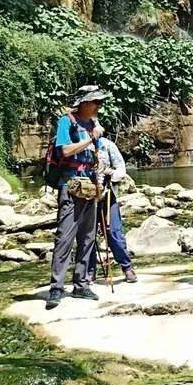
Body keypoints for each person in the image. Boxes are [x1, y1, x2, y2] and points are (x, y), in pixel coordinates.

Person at [46, 85, 106, 310]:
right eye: (95, 102)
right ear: (84, 103)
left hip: (89, 185)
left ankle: (81, 283)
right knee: (64, 236)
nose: (99, 106)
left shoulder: (92, 124)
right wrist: (91, 138)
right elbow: (64, 151)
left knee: (88, 236)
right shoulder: (67, 122)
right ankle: (56, 287)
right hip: (70, 186)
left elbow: (94, 157)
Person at [90, 128, 137, 283]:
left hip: (108, 196)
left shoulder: (107, 145)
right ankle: (89, 272)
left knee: (114, 233)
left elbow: (120, 169)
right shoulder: (79, 146)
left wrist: (110, 173)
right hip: (87, 198)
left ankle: (127, 267)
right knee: (88, 236)